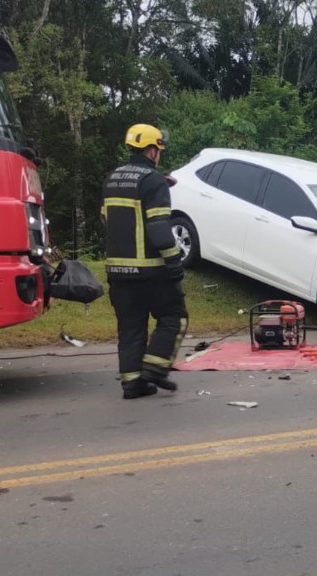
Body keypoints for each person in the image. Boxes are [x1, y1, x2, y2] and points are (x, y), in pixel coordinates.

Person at [102, 124, 187, 399]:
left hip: (117, 271)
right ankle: (156, 369)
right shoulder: (153, 181)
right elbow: (159, 228)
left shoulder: (112, 179)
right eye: (158, 150)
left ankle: (133, 384)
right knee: (174, 317)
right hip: (151, 271)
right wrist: (174, 262)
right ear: (152, 151)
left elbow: (106, 218)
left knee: (130, 328)